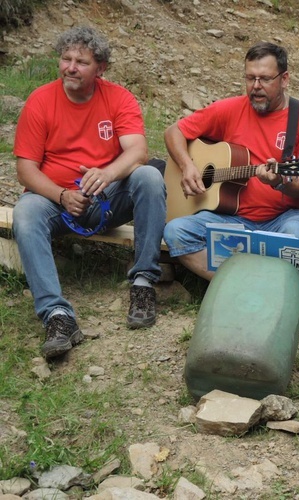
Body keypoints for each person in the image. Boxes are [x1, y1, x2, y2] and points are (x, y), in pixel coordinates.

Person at [12, 26, 166, 359]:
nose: (70, 67)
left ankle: (142, 284)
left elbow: (137, 150)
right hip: (55, 202)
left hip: (105, 200)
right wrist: (60, 195)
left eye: (81, 61)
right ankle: (57, 315)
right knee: (24, 212)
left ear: (100, 68)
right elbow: (26, 169)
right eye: (65, 59)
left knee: (150, 176)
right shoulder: (40, 100)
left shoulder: (118, 98)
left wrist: (107, 173)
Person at [162, 42, 299, 280]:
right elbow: (174, 132)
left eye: (264, 79)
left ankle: (252, 281)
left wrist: (279, 182)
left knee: (297, 236)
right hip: (228, 217)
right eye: (250, 78)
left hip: (283, 219)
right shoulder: (230, 109)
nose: (255, 87)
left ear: (284, 79)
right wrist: (187, 166)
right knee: (176, 230)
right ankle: (239, 285)